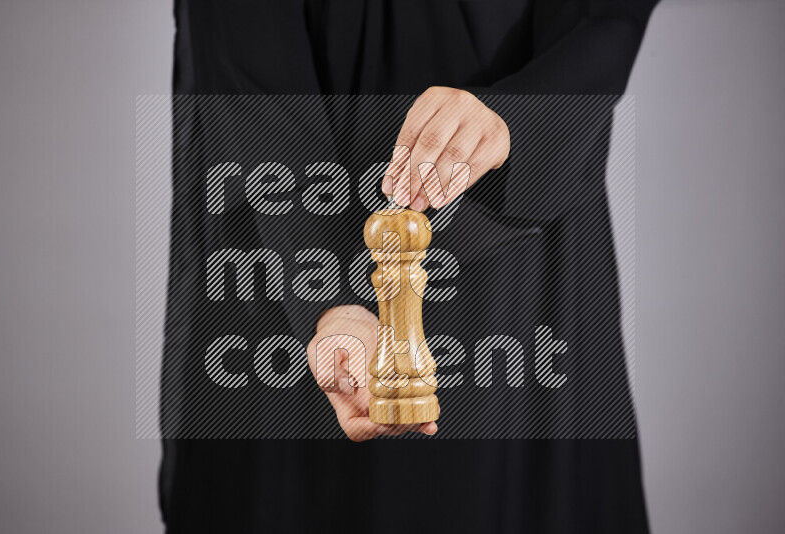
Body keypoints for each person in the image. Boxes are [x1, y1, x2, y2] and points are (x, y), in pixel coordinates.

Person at [160, 0, 659, 532]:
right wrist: (327, 301)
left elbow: (605, 16)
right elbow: (243, 50)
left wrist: (520, 114)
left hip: (521, 233)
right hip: (278, 223)